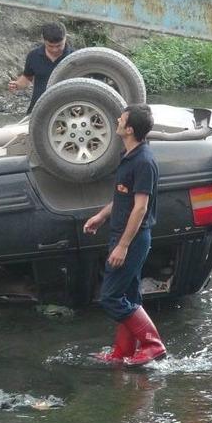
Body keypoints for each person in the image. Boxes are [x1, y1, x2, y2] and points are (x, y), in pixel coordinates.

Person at [83, 103, 166, 367]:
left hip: (132, 239)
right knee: (128, 297)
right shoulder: (130, 155)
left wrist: (123, 246)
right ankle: (123, 352)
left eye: (122, 119)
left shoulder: (143, 162)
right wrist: (101, 216)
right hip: (122, 235)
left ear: (129, 129)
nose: (118, 120)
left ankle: (153, 345)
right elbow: (124, 198)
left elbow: (140, 208)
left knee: (110, 297)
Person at [7, 22, 74, 114]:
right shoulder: (33, 56)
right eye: (50, 46)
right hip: (39, 108)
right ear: (43, 39)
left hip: (67, 110)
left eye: (59, 46)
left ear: (65, 38)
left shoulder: (75, 57)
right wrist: (17, 84)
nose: (54, 50)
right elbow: (27, 77)